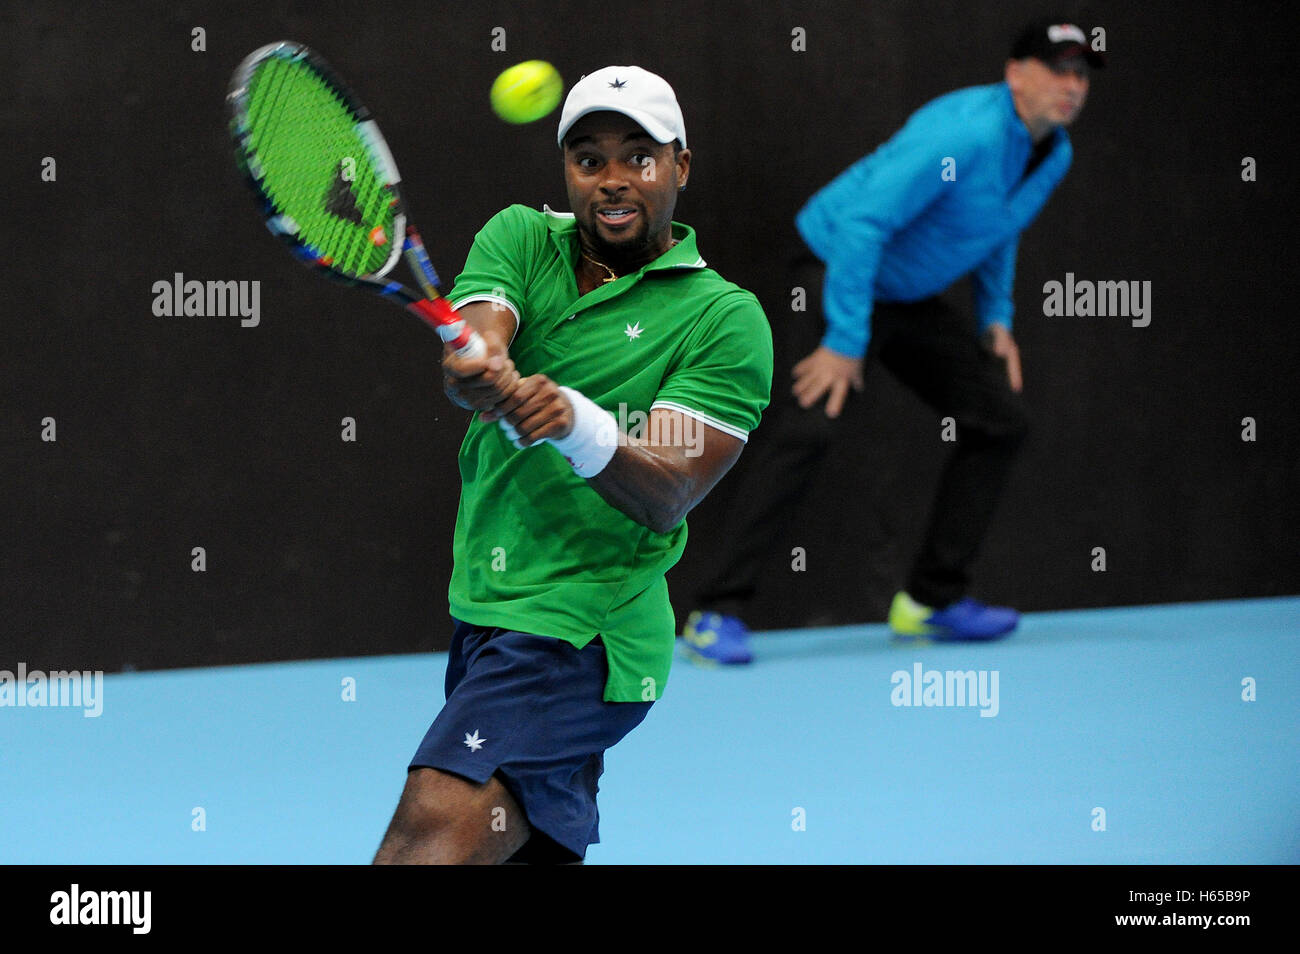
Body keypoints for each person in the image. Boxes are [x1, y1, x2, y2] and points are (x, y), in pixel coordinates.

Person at [372, 66, 772, 863]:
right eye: (589, 159)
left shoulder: (725, 321)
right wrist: (479, 363)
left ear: (681, 165)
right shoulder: (521, 236)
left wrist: (579, 426)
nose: (613, 179)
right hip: (488, 607)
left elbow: (667, 491)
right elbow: (483, 332)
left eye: (639, 157)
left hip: (587, 633)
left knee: (426, 832)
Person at [683, 18, 1104, 664]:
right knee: (808, 429)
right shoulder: (964, 134)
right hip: (837, 266)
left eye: (1080, 73)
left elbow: (1000, 228)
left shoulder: (1055, 152)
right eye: (1057, 69)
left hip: (905, 293)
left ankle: (930, 601)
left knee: (1000, 421)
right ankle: (715, 612)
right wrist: (844, 340)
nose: (1071, 85)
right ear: (1016, 74)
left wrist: (996, 319)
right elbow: (863, 222)